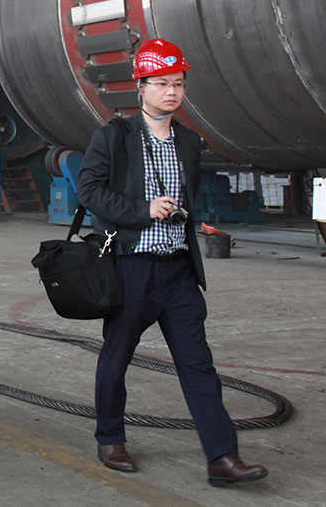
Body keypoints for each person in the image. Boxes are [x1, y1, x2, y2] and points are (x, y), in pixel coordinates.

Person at [76, 38, 268, 487]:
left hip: (178, 270)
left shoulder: (188, 141)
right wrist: (143, 210)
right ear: (141, 86)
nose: (171, 91)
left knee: (198, 364)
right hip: (132, 268)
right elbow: (90, 191)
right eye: (161, 83)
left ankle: (222, 457)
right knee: (116, 358)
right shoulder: (114, 137)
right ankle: (110, 438)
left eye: (178, 83)